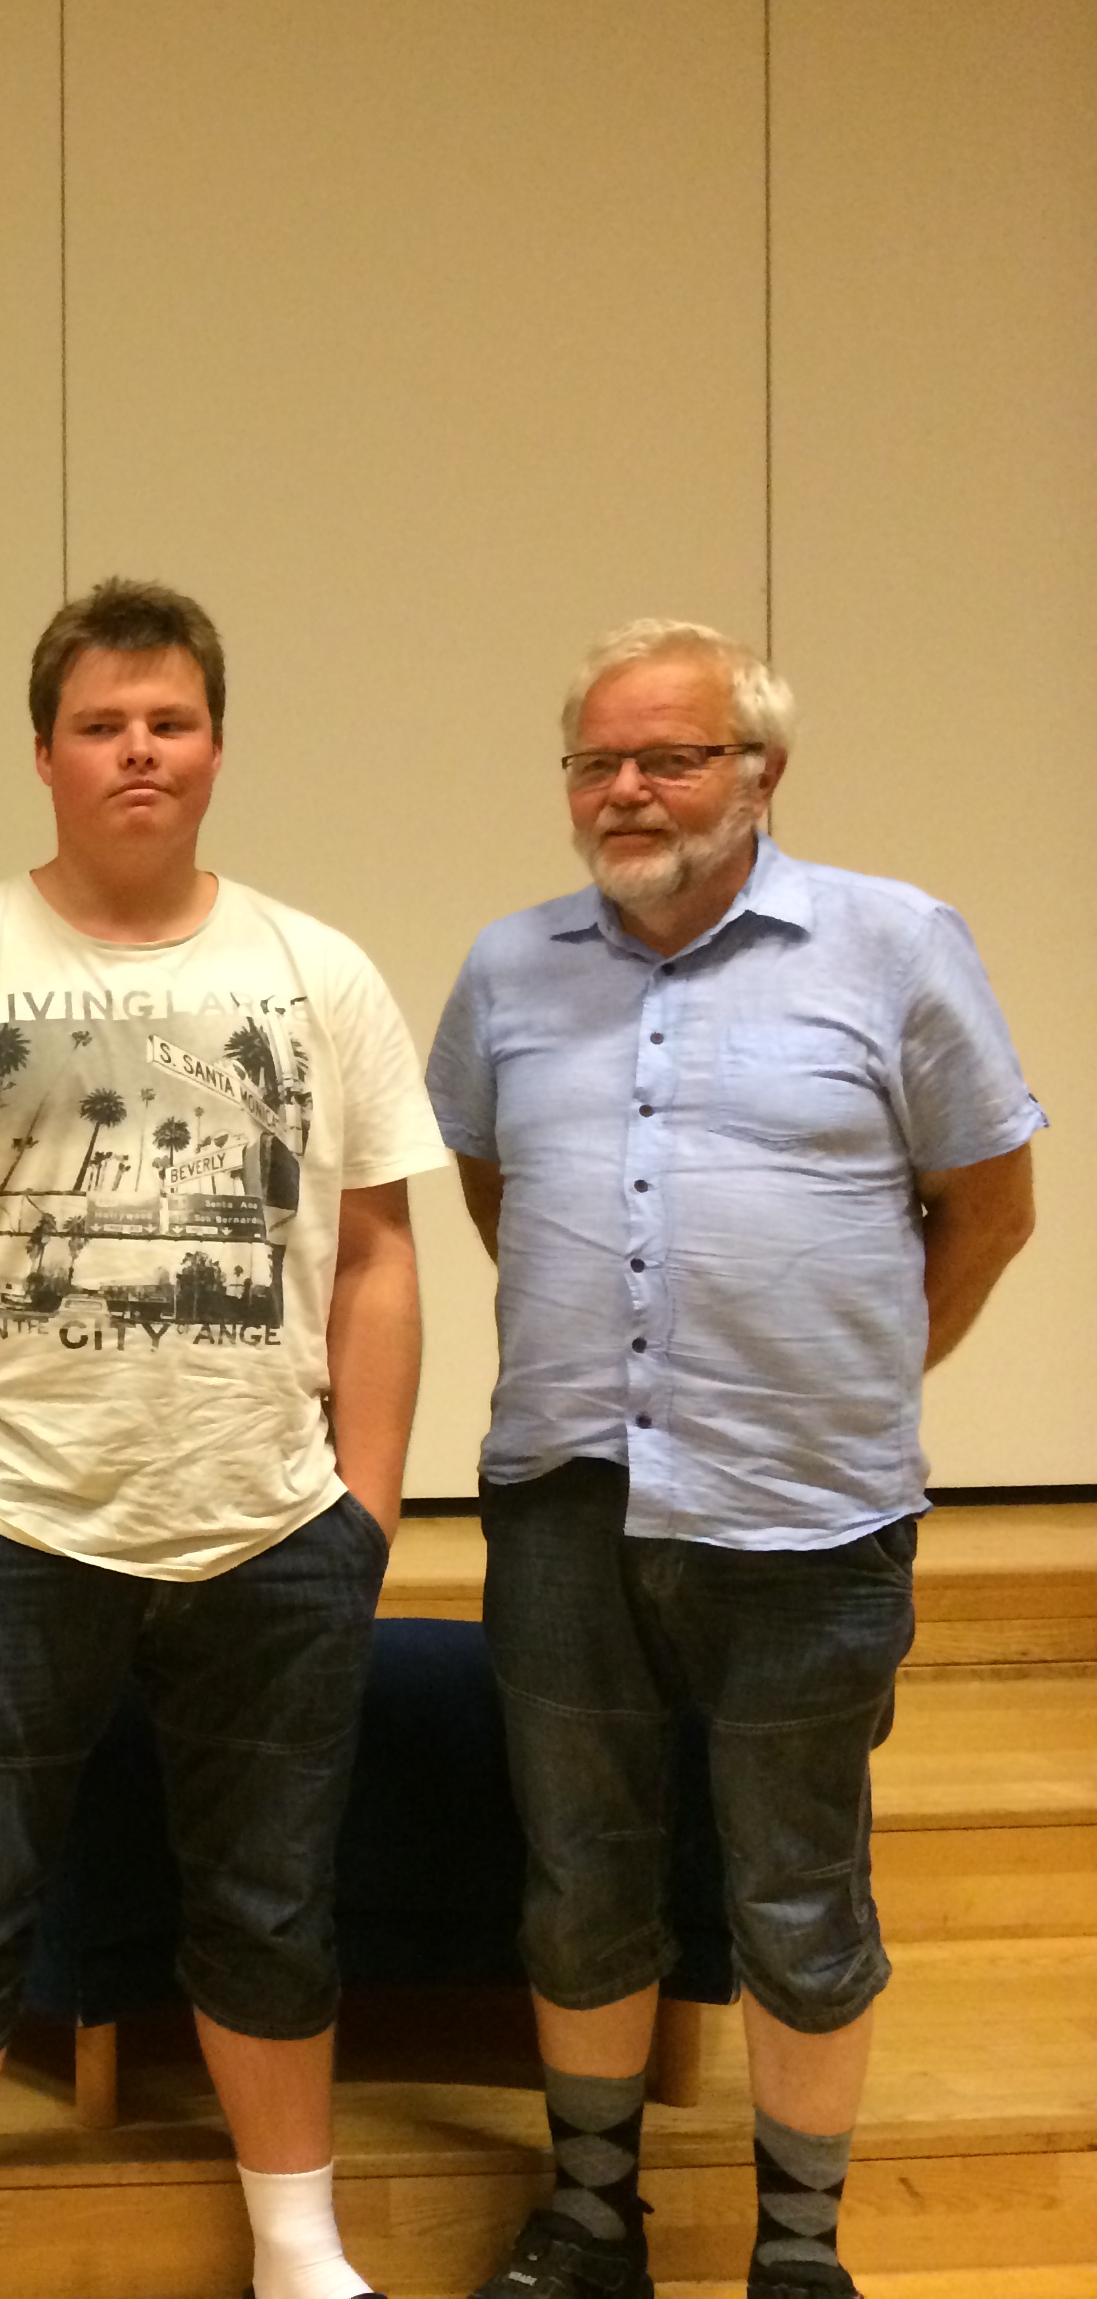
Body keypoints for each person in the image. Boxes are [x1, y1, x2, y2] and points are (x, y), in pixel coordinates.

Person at [0, 578, 443, 2299]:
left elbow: (379, 1256)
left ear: (217, 746)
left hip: (274, 1531)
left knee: (272, 1906)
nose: (138, 752)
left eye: (169, 722)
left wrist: (366, 1510)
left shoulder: (322, 973)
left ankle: (297, 2247)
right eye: (102, 725)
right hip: (10, 1527)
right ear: (45, 755)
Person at [429, 620, 1040, 2299]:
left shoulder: (895, 944)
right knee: (581, 1880)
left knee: (798, 1891)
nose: (627, 789)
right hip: (565, 1504)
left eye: (672, 757)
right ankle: (591, 2220)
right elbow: (496, 1191)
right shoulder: (507, 969)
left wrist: (849, 1378)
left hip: (808, 1522)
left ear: (762, 772)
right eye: (597, 761)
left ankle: (798, 2250)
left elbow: (992, 1209)